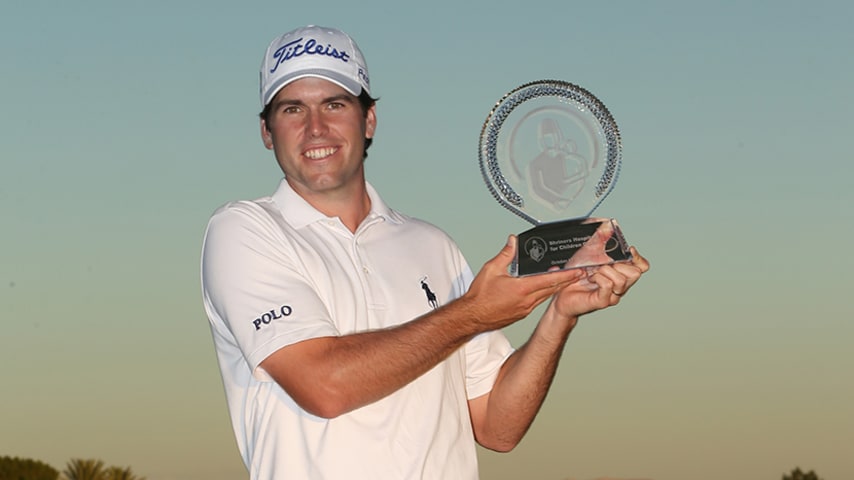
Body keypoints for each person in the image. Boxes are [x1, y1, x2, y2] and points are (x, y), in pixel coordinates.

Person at [200, 24, 649, 480]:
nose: (315, 128)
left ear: (369, 119)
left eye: (334, 104)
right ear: (266, 131)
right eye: (292, 108)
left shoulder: (432, 245)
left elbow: (497, 426)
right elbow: (323, 386)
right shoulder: (244, 231)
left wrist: (559, 316)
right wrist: (474, 313)